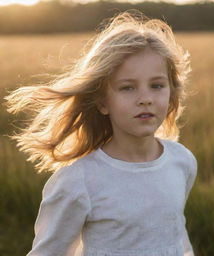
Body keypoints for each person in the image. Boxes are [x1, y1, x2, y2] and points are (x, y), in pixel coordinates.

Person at [5, 10, 197, 256]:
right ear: (103, 102)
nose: (145, 99)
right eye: (127, 88)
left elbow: (176, 234)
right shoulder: (79, 181)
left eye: (157, 86)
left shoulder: (182, 161)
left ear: (171, 94)